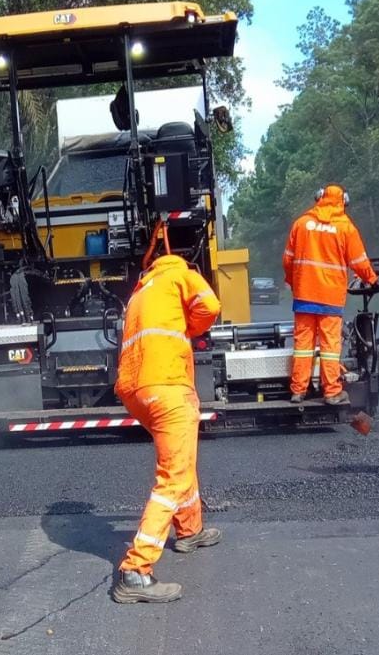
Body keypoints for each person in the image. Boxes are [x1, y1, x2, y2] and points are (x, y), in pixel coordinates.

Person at [112, 253, 222, 603]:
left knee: (182, 458)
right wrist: (190, 327)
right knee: (173, 475)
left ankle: (190, 531)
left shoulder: (141, 290)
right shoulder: (180, 275)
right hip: (167, 384)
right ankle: (136, 571)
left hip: (135, 388)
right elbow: (210, 305)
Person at [283, 184, 379, 405]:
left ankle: (298, 391)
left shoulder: (301, 224)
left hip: (304, 295)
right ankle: (331, 392)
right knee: (329, 347)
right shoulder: (345, 227)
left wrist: (292, 281)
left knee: (303, 346)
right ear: (343, 202)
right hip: (330, 297)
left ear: (319, 198)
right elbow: (358, 262)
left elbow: (288, 259)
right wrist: (373, 280)